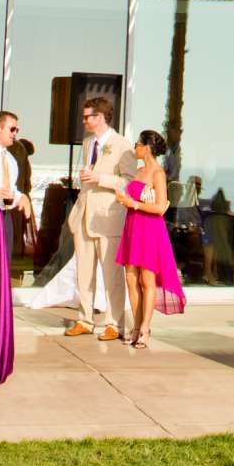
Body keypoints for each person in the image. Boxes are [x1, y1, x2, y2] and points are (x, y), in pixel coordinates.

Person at [65, 95, 135, 341]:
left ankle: (114, 323)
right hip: (84, 215)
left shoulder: (123, 145)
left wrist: (100, 179)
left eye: (87, 117)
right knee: (83, 273)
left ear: (101, 117)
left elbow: (130, 182)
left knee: (111, 276)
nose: (83, 121)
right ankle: (84, 319)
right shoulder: (87, 143)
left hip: (108, 218)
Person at [115, 129, 185, 349]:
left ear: (146, 148)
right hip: (133, 225)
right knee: (130, 278)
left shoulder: (158, 174)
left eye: (137, 144)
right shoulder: (137, 171)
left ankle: (145, 328)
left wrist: (132, 203)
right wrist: (125, 200)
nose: (134, 148)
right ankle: (135, 326)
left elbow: (160, 208)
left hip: (149, 228)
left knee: (147, 279)